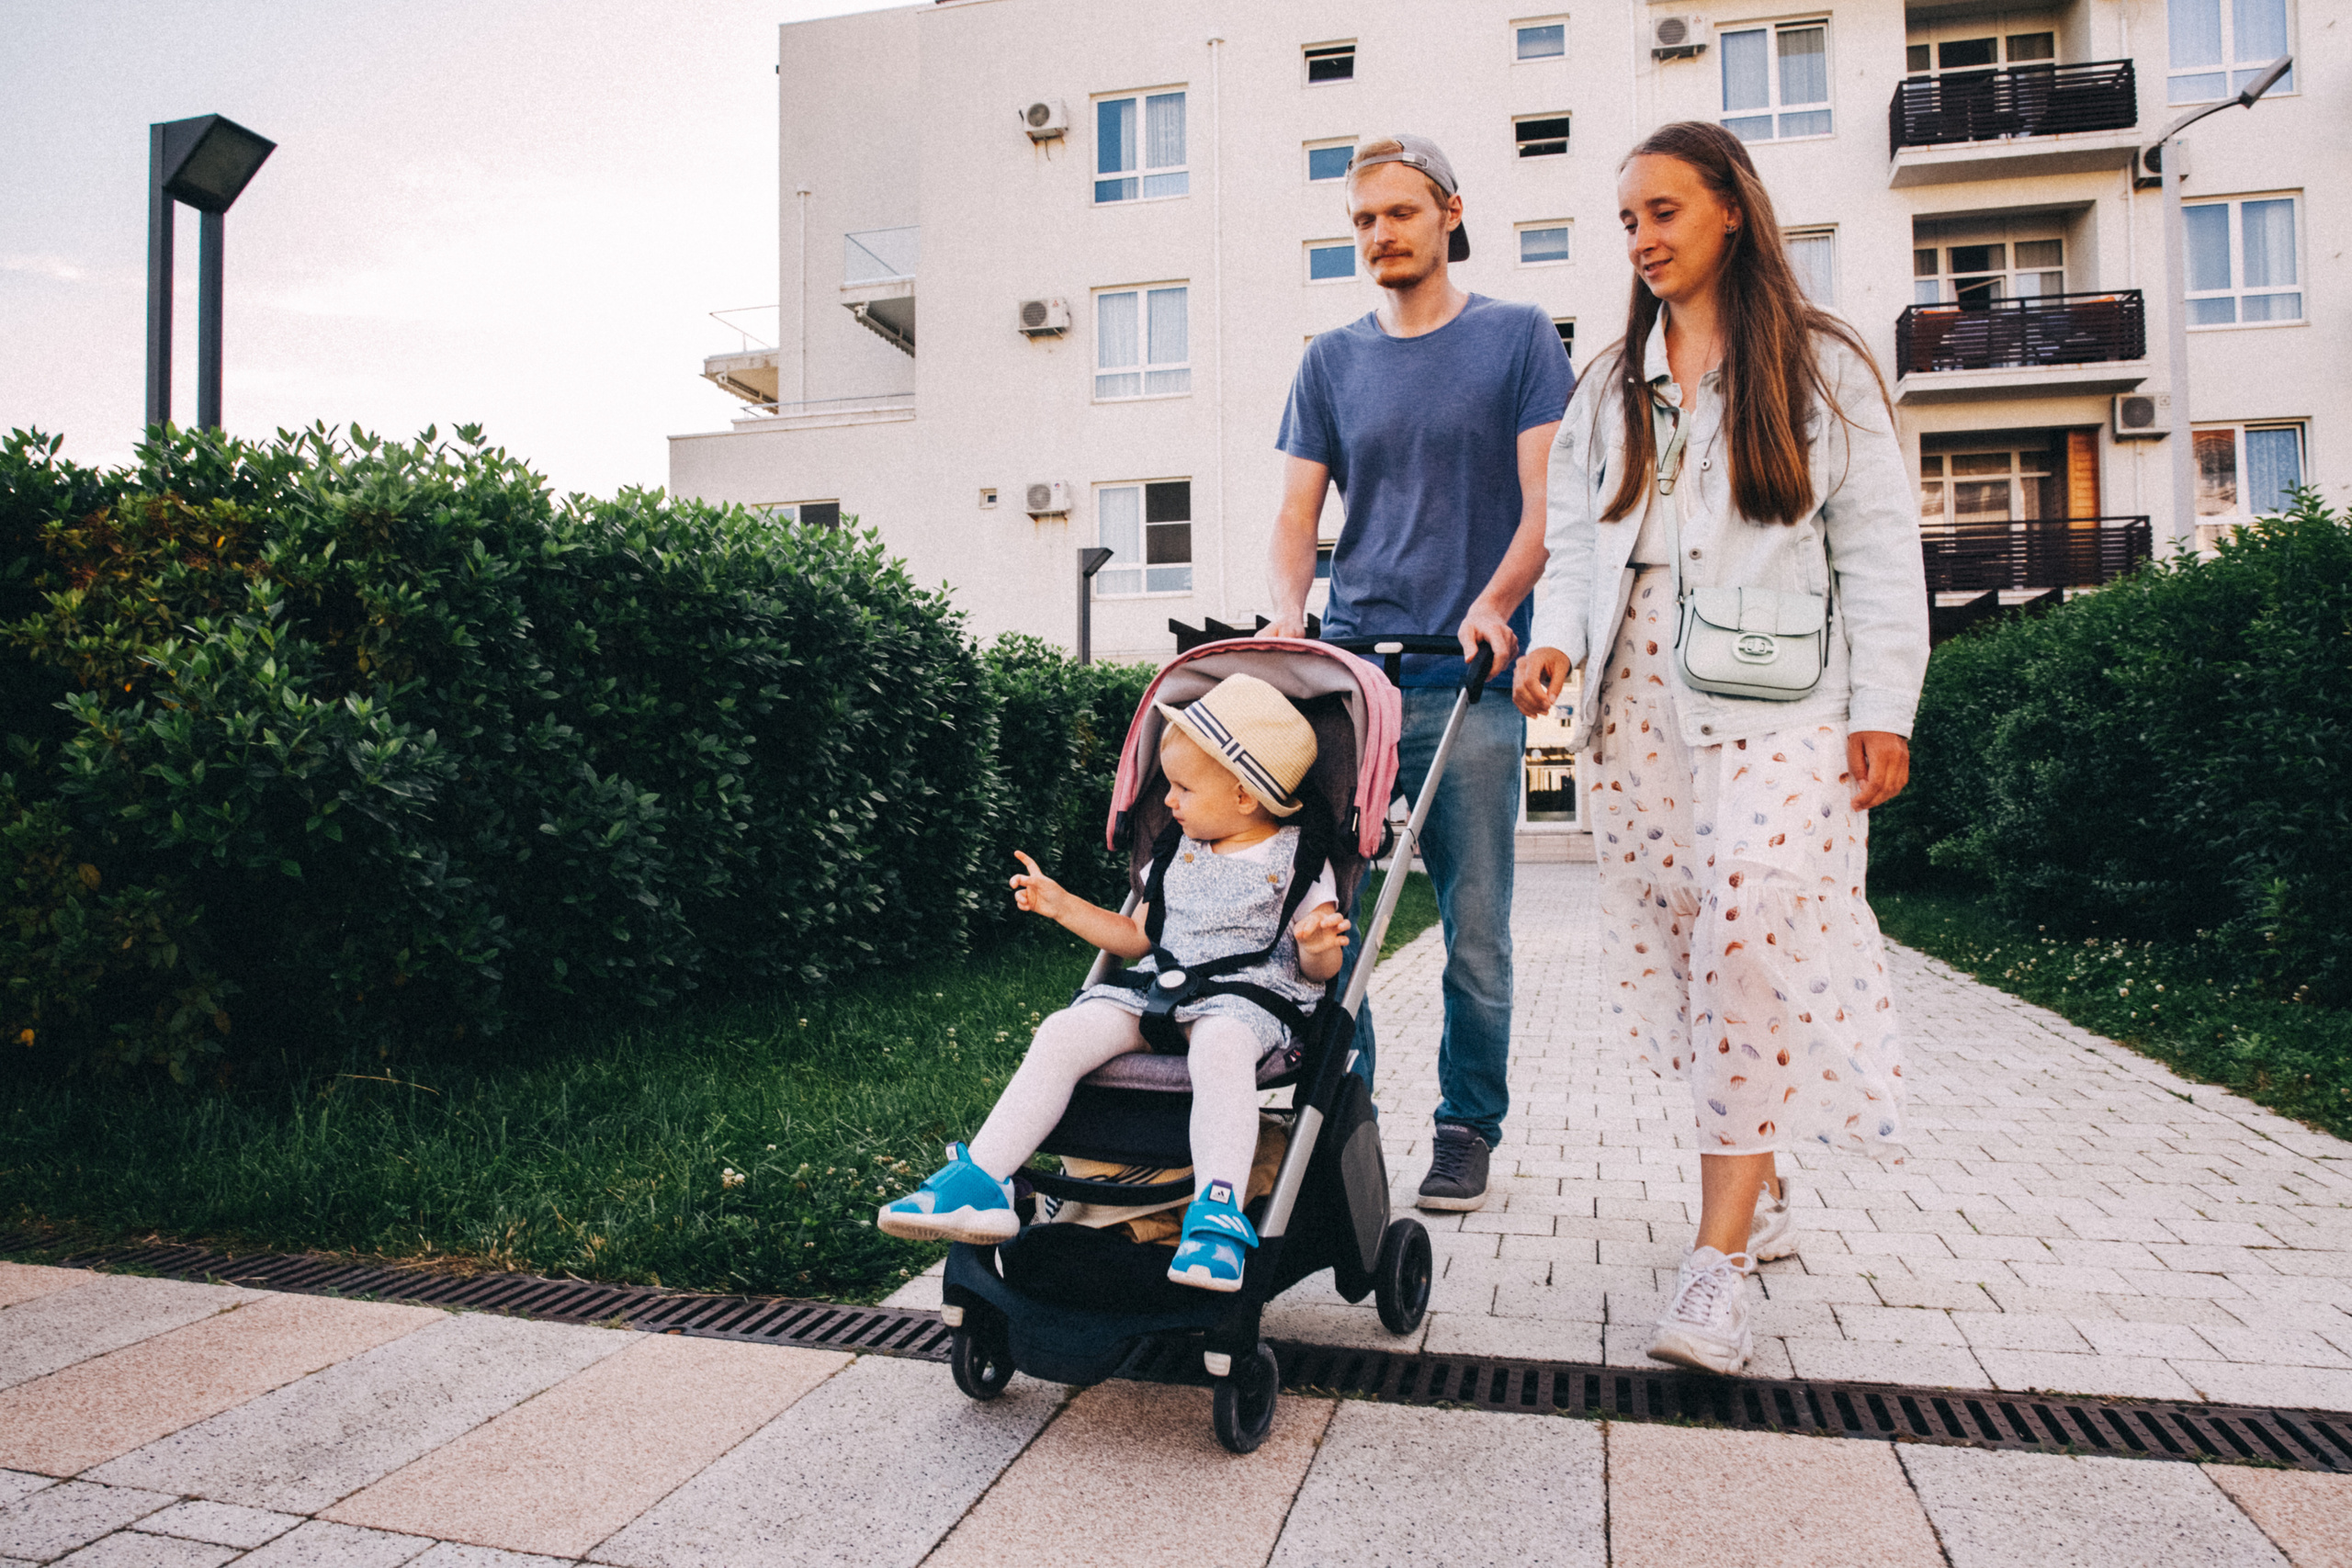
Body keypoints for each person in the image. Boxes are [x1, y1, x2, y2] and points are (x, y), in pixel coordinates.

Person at [1516, 121, 1928, 1373]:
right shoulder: (1606, 384)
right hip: (1638, 699)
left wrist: (1887, 706)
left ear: (1732, 212)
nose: (1641, 238)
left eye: (1664, 212)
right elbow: (1578, 543)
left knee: (1752, 920)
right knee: (1701, 947)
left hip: (1785, 696)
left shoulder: (1822, 367)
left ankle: (1716, 1266)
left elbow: (1874, 543)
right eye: (1628, 219)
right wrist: (1554, 642)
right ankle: (1762, 1169)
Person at [1267, 133, 1573, 1213]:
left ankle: (1464, 1128)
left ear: (1448, 212)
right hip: (1357, 682)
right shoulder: (1330, 360)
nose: (1379, 236)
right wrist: (1287, 624)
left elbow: (1549, 509)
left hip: (1470, 681)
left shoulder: (1518, 338)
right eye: (1361, 220)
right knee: (1329, 915)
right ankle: (1340, 1110)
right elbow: (1299, 514)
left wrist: (1496, 603)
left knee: (1472, 929)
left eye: (1398, 213)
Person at [877, 673, 1350, 1293]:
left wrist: (1318, 948)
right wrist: (1063, 904)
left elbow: (1321, 971)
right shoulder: (1177, 851)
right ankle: (984, 1181)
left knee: (1221, 1046)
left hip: (1245, 1002)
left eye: (1183, 788)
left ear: (1242, 794)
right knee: (1064, 1029)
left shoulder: (1298, 861)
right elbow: (1136, 937)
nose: (1169, 802)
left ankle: (1216, 1214)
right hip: (1162, 988)